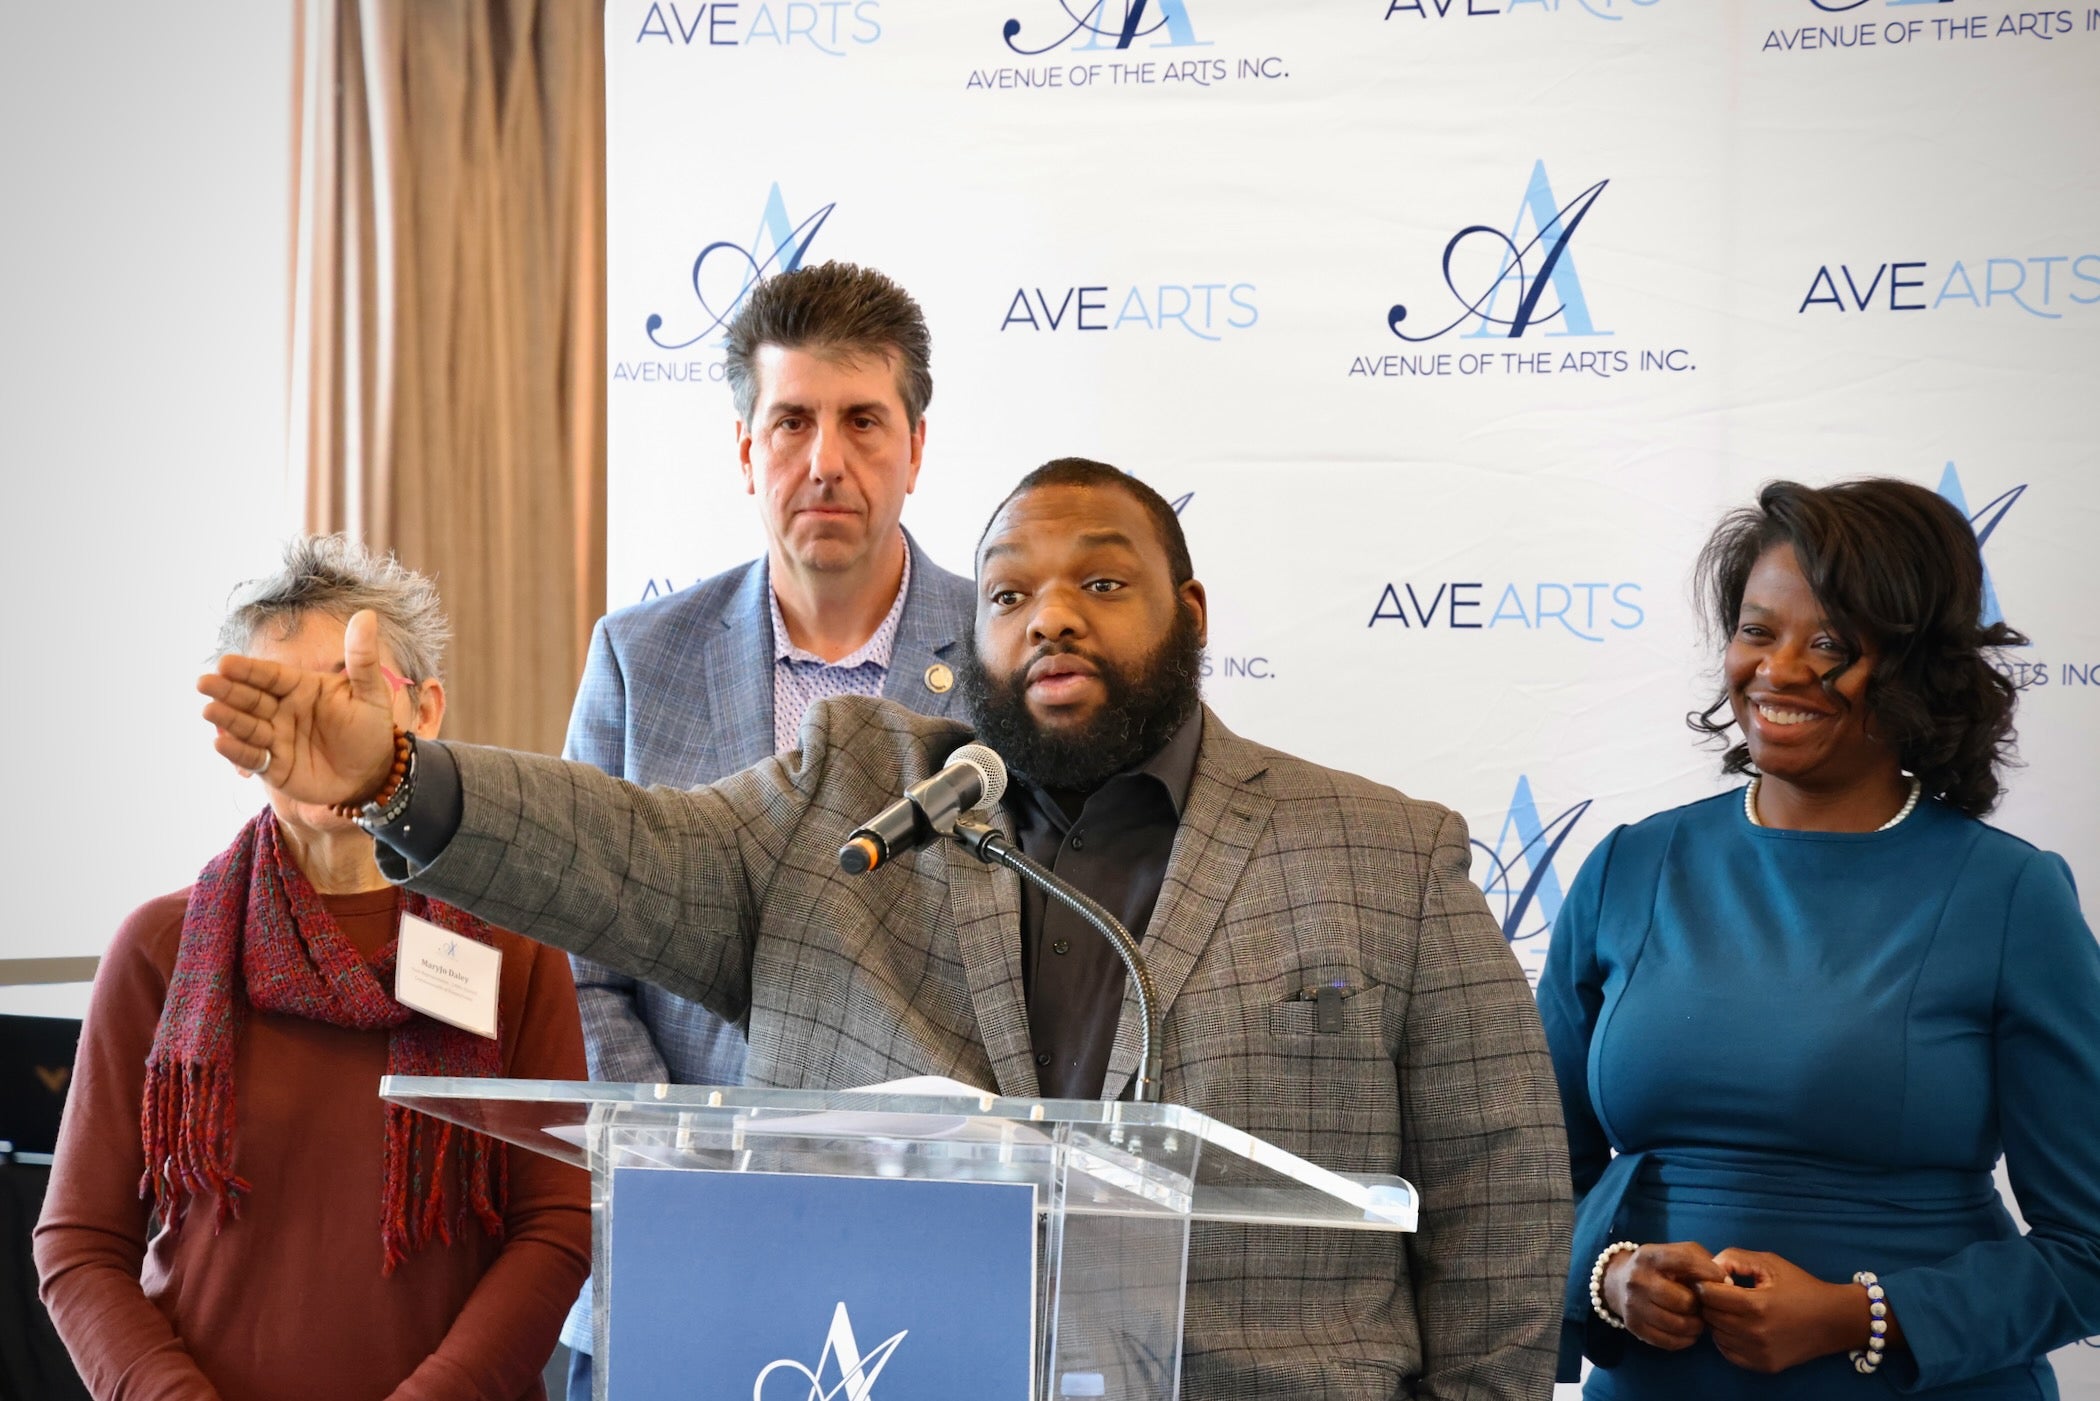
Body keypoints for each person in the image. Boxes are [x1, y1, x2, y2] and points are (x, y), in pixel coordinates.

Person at [199, 458, 1573, 1401]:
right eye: (1013, 592)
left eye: (1101, 584)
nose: (1051, 619)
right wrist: (400, 778)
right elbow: (620, 850)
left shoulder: (1382, 855)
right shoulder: (857, 795)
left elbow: (1501, 1205)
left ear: (1188, 614)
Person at [1539, 478, 2100, 1399]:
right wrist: (1606, 1277)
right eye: (1758, 631)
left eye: (1832, 643)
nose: (1781, 669)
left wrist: (1855, 1314)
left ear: (1915, 666)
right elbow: (1520, 1187)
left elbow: (2088, 1249)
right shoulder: (1630, 867)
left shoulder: (2008, 895)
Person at [40, 537, 590, 1401]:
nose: (314, 727)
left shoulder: (511, 939)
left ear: (427, 709)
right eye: (278, 697)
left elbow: (555, 1226)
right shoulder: (160, 946)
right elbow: (77, 1244)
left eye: (344, 687)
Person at [558, 260, 975, 1387]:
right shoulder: (639, 661)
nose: (825, 461)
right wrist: (693, 1164)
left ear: (917, 449)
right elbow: (580, 968)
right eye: (791, 420)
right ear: (745, 448)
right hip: (688, 1243)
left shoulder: (1005, 666)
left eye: (862, 422)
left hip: (947, 1254)